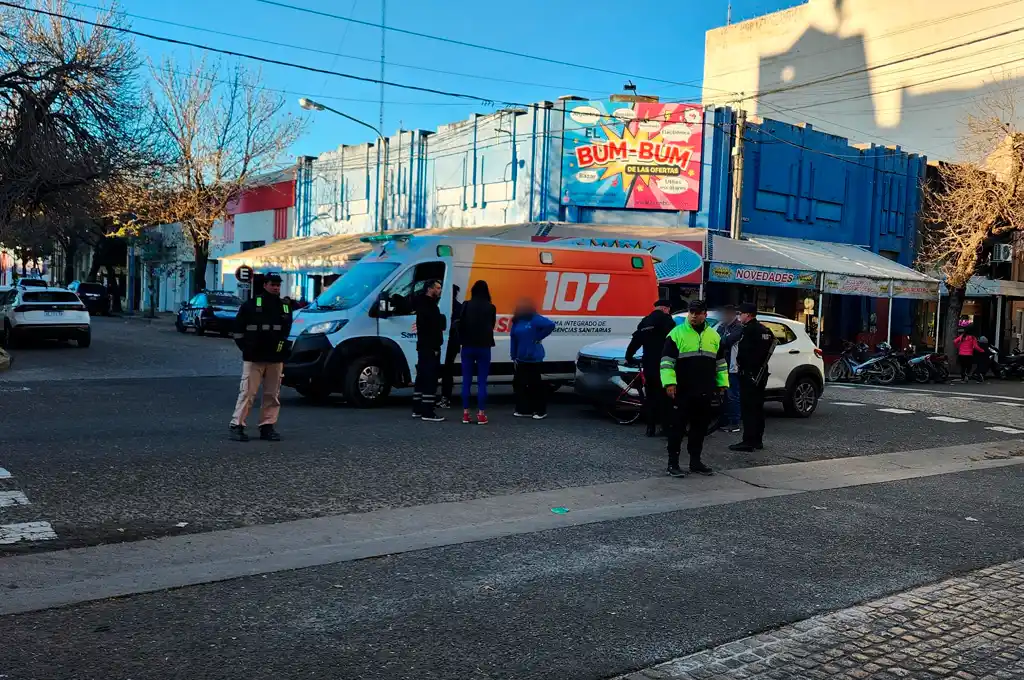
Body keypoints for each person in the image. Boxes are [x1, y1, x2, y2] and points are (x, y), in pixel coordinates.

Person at [660, 299, 728, 477]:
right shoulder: (676, 334)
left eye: (697, 313)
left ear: (705, 314)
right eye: (691, 312)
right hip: (682, 390)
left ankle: (695, 462)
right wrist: (669, 383)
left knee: (699, 428)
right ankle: (672, 463)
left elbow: (721, 364)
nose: (693, 316)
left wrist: (722, 384)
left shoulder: (713, 336)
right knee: (677, 428)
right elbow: (666, 362)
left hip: (704, 390)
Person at [229, 273, 293, 442]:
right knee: (248, 393)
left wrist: (282, 349)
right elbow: (238, 330)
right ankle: (237, 425)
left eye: (278, 285)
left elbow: (286, 332)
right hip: (254, 357)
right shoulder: (250, 305)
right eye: (273, 284)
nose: (276, 288)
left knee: (272, 395)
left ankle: (267, 426)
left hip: (275, 358)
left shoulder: (285, 306)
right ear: (265, 285)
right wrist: (246, 348)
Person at [729, 303, 777, 453]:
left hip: (750, 374)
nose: (739, 316)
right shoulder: (765, 330)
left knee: (749, 408)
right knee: (757, 407)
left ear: (748, 314)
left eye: (741, 314)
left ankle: (748, 441)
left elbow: (745, 353)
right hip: (761, 374)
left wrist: (741, 364)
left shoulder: (749, 330)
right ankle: (757, 440)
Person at [625, 299, 677, 437]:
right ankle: (666, 427)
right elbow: (674, 340)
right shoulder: (667, 320)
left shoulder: (645, 321)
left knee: (651, 396)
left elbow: (635, 340)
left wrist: (628, 356)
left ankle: (650, 427)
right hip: (664, 364)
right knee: (666, 397)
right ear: (666, 309)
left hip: (648, 364)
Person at [510, 298, 555, 420]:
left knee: (535, 385)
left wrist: (538, 337)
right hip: (520, 358)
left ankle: (540, 410)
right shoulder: (517, 321)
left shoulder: (535, 319)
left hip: (534, 357)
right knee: (519, 384)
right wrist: (513, 355)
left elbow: (550, 325)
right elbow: (513, 338)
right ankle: (524, 409)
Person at [458, 280, 497, 425]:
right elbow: (491, 325)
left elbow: (460, 322)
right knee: (482, 382)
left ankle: (466, 414)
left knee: (466, 381)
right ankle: (481, 414)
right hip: (484, 346)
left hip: (467, 346)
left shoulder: (466, 305)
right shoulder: (491, 307)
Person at [412, 279, 447, 422]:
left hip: (422, 345)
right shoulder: (430, 305)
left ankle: (417, 408)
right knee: (430, 379)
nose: (439, 291)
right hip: (430, 347)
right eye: (437, 288)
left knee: (421, 378)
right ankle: (428, 411)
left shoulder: (420, 303)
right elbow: (435, 326)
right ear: (429, 289)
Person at [717, 305, 744, 434]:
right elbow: (716, 339)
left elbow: (725, 341)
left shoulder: (738, 327)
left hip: (733, 366)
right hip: (723, 365)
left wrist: (721, 340)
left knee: (733, 394)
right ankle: (726, 420)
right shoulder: (724, 325)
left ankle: (734, 423)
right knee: (727, 394)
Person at [439, 285, 463, 409]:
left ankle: (440, 397)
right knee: (448, 370)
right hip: (453, 342)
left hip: (443, 341)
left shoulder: (440, 305)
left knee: (443, 370)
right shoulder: (459, 307)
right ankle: (446, 397)